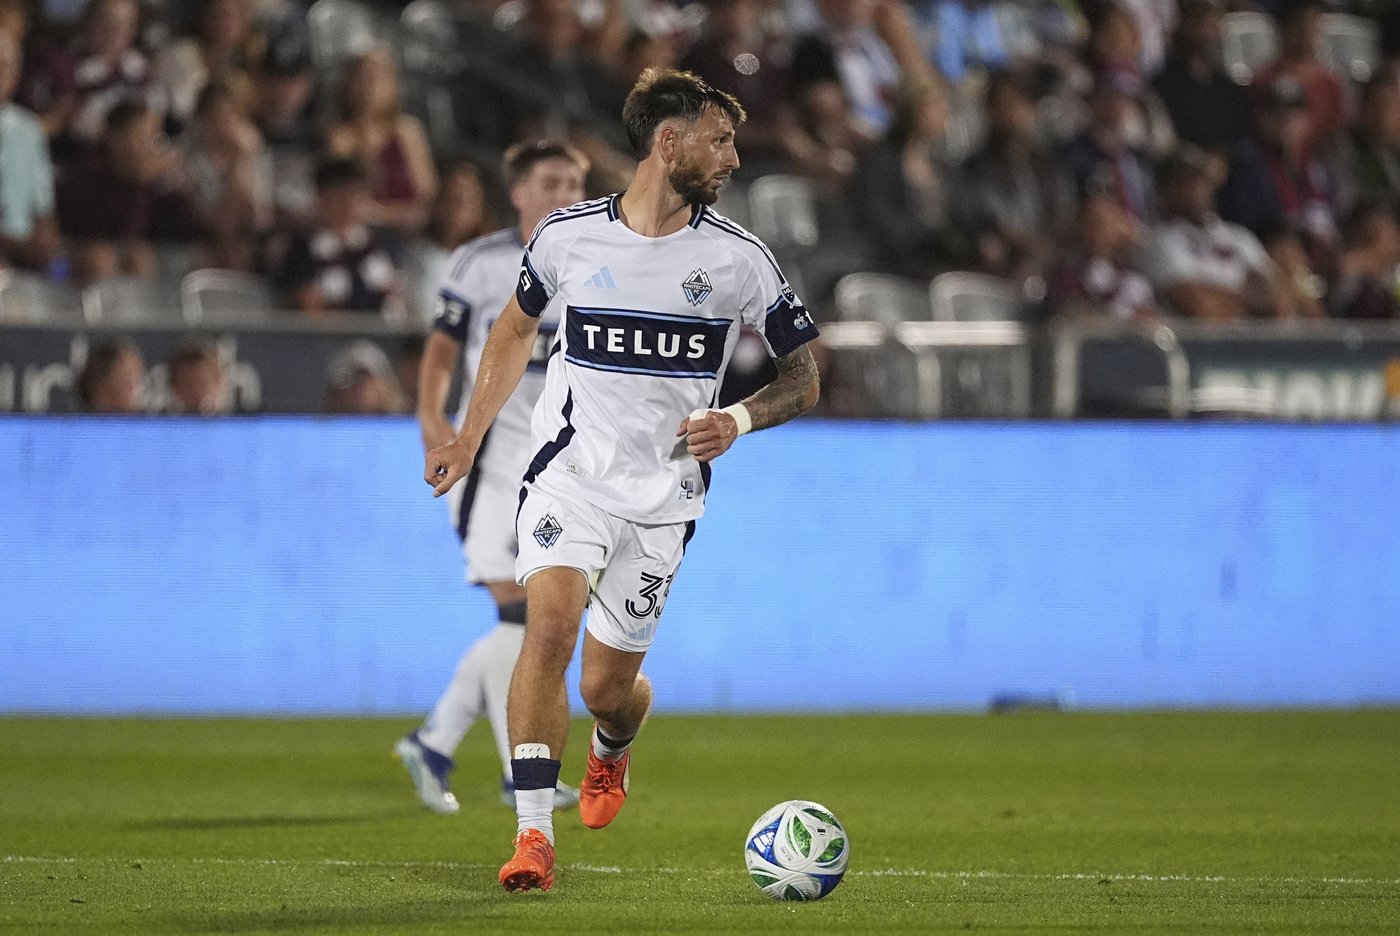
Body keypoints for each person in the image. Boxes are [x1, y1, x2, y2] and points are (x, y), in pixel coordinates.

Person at [423, 67, 821, 893]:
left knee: (609, 688)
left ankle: (614, 746)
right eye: (720, 140)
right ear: (667, 143)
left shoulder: (739, 260)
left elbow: (803, 378)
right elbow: (510, 332)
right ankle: (533, 838)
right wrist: (467, 436)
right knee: (549, 628)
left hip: (664, 499)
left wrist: (738, 419)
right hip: (569, 476)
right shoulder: (568, 237)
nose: (735, 158)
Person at [394, 140, 591, 816]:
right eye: (550, 181)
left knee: (538, 619)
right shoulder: (481, 263)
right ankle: (519, 770)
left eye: (574, 181)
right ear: (518, 192)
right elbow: (442, 348)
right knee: (523, 613)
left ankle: (436, 742)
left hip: (560, 463)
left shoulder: (597, 260)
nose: (564, 192)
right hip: (491, 458)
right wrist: (432, 421)